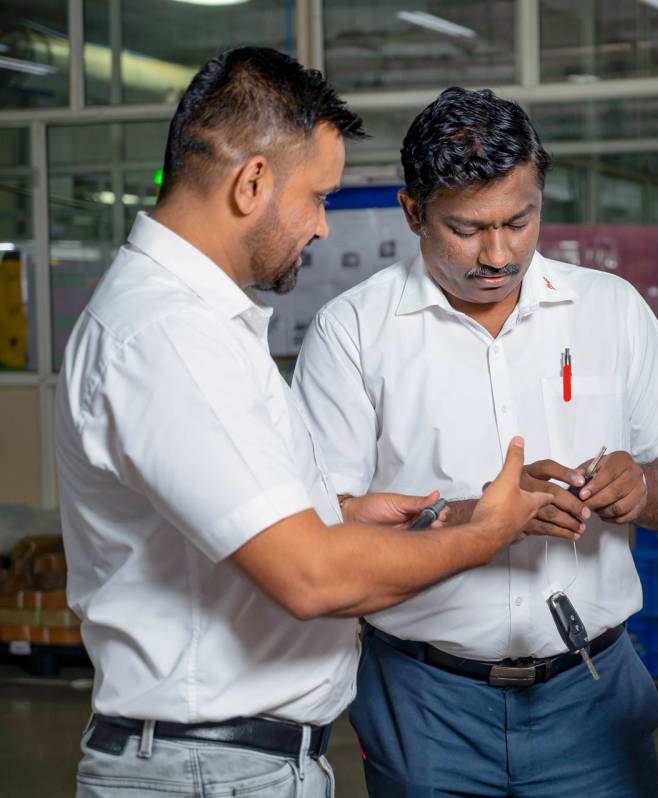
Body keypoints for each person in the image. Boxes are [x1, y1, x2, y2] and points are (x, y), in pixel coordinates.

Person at [56, 49, 551, 798]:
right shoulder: (168, 337)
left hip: (227, 764)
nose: (322, 226)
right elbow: (310, 577)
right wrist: (486, 534)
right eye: (317, 195)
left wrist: (342, 513)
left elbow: (222, 523)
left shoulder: (196, 325)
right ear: (252, 182)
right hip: (209, 768)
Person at [292, 86, 658, 797]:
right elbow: (317, 521)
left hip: (593, 691)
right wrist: (474, 518)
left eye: (520, 221)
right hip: (426, 699)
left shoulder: (609, 309)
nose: (498, 252)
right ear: (411, 212)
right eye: (467, 228)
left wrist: (640, 486)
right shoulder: (354, 331)